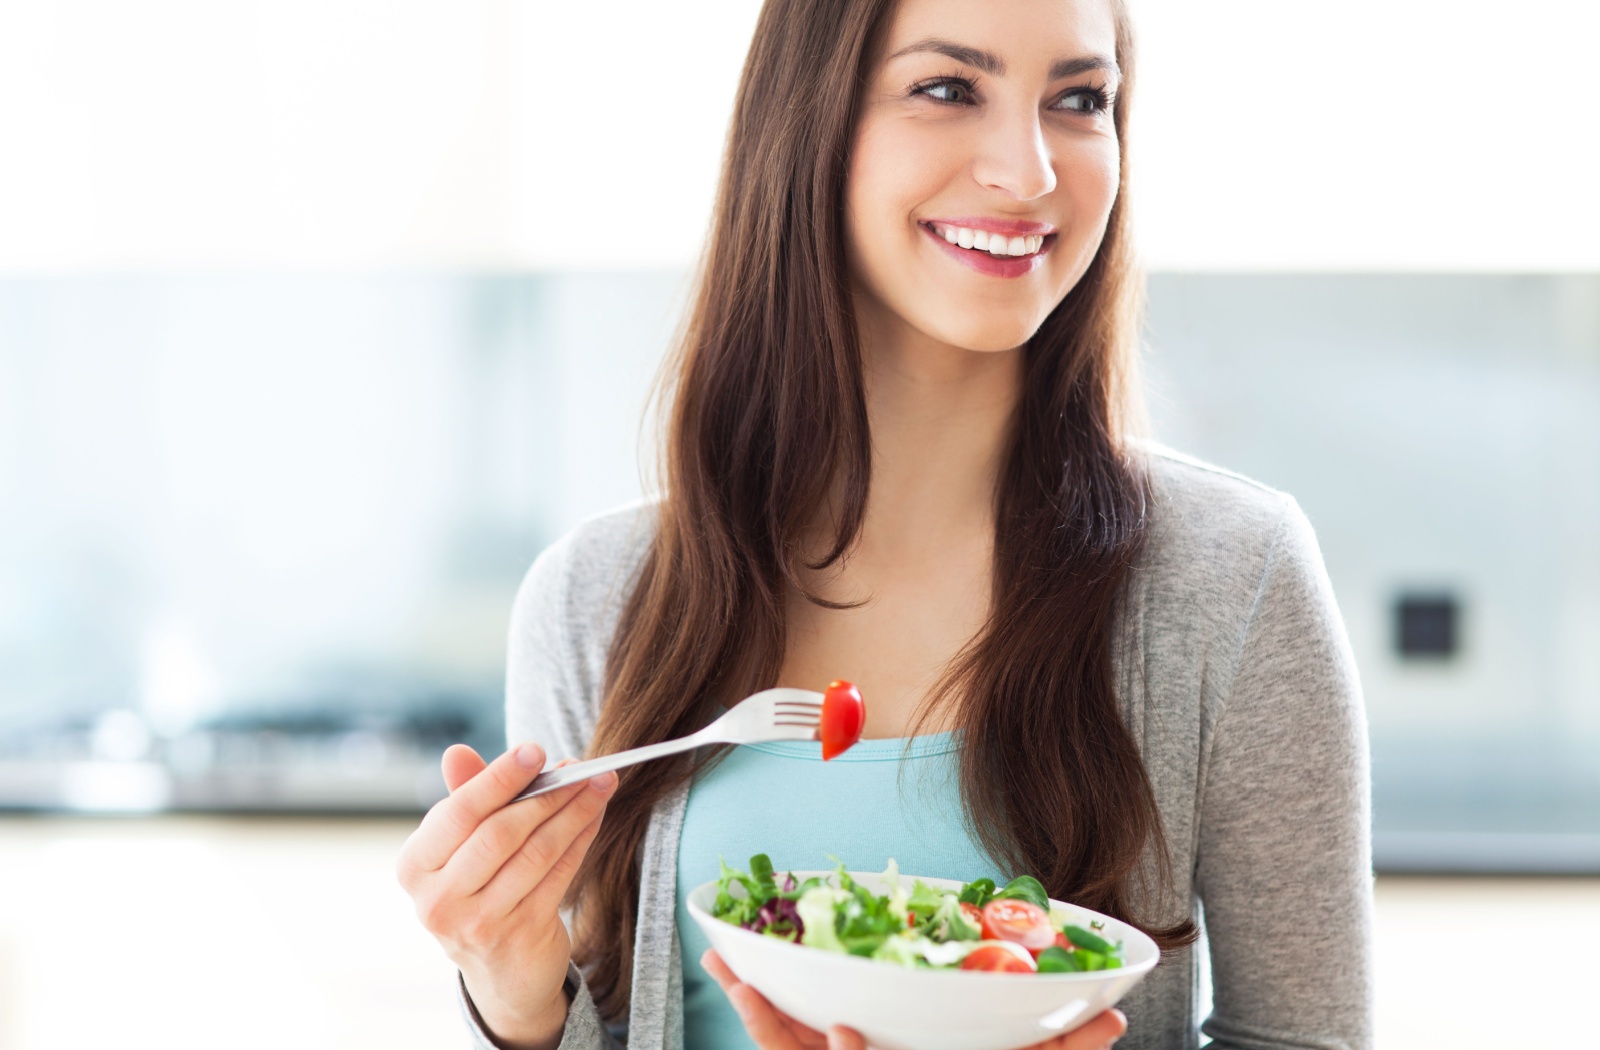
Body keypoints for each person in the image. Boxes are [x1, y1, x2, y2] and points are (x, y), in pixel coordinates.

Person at [395, 0, 1373, 1046]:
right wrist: (513, 996)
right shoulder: (599, 596)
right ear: (806, 122)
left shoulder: (1234, 580)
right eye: (948, 89)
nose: (1030, 168)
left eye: (1079, 100)